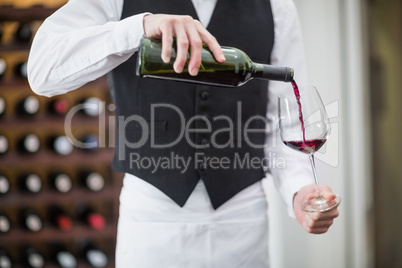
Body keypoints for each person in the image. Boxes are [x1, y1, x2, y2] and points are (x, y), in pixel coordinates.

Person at [27, 0, 340, 267]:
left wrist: (299, 189)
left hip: (243, 224)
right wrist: (138, 28)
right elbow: (42, 71)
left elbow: (284, 118)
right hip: (151, 222)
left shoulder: (276, 5)